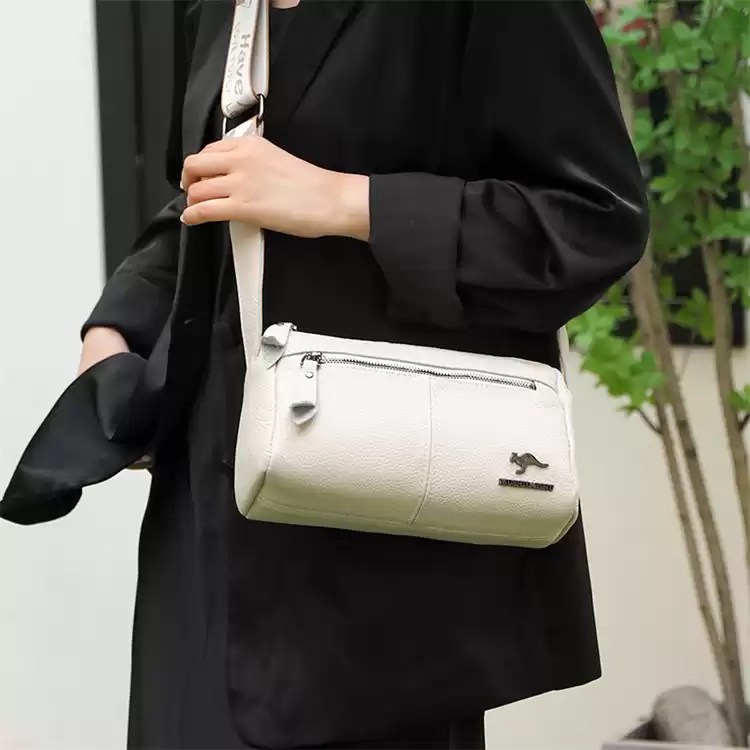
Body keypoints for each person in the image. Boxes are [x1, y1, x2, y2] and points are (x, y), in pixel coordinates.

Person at [12, 1, 650, 748]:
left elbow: (593, 219)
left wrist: (349, 201)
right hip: (207, 524)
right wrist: (116, 324)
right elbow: (211, 193)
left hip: (377, 552)